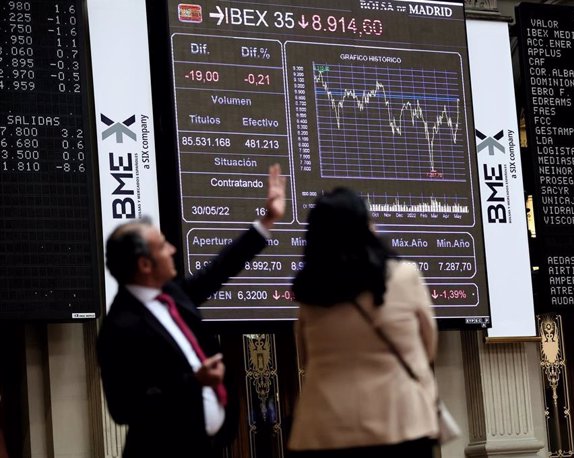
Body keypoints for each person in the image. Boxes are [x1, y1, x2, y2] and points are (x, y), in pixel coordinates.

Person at [97, 164, 286, 458]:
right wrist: (194, 382)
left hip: (203, 444)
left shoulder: (171, 294)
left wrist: (267, 221)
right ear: (145, 265)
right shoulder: (119, 328)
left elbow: (218, 271)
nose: (172, 250)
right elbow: (124, 409)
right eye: (162, 247)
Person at [287, 187, 439, 458]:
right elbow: (429, 345)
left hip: (324, 428)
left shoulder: (311, 291)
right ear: (366, 227)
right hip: (400, 422)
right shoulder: (405, 276)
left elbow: (305, 357)